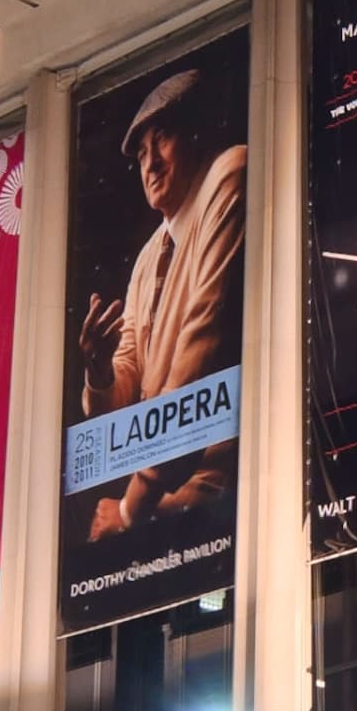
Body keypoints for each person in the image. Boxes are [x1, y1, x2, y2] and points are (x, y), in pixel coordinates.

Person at [76, 67, 245, 540]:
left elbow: (201, 343)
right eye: (141, 154)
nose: (149, 163)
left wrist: (131, 508)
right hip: (165, 493)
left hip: (223, 489)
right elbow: (126, 387)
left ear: (197, 133)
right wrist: (99, 370)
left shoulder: (229, 173)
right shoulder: (150, 255)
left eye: (162, 140)